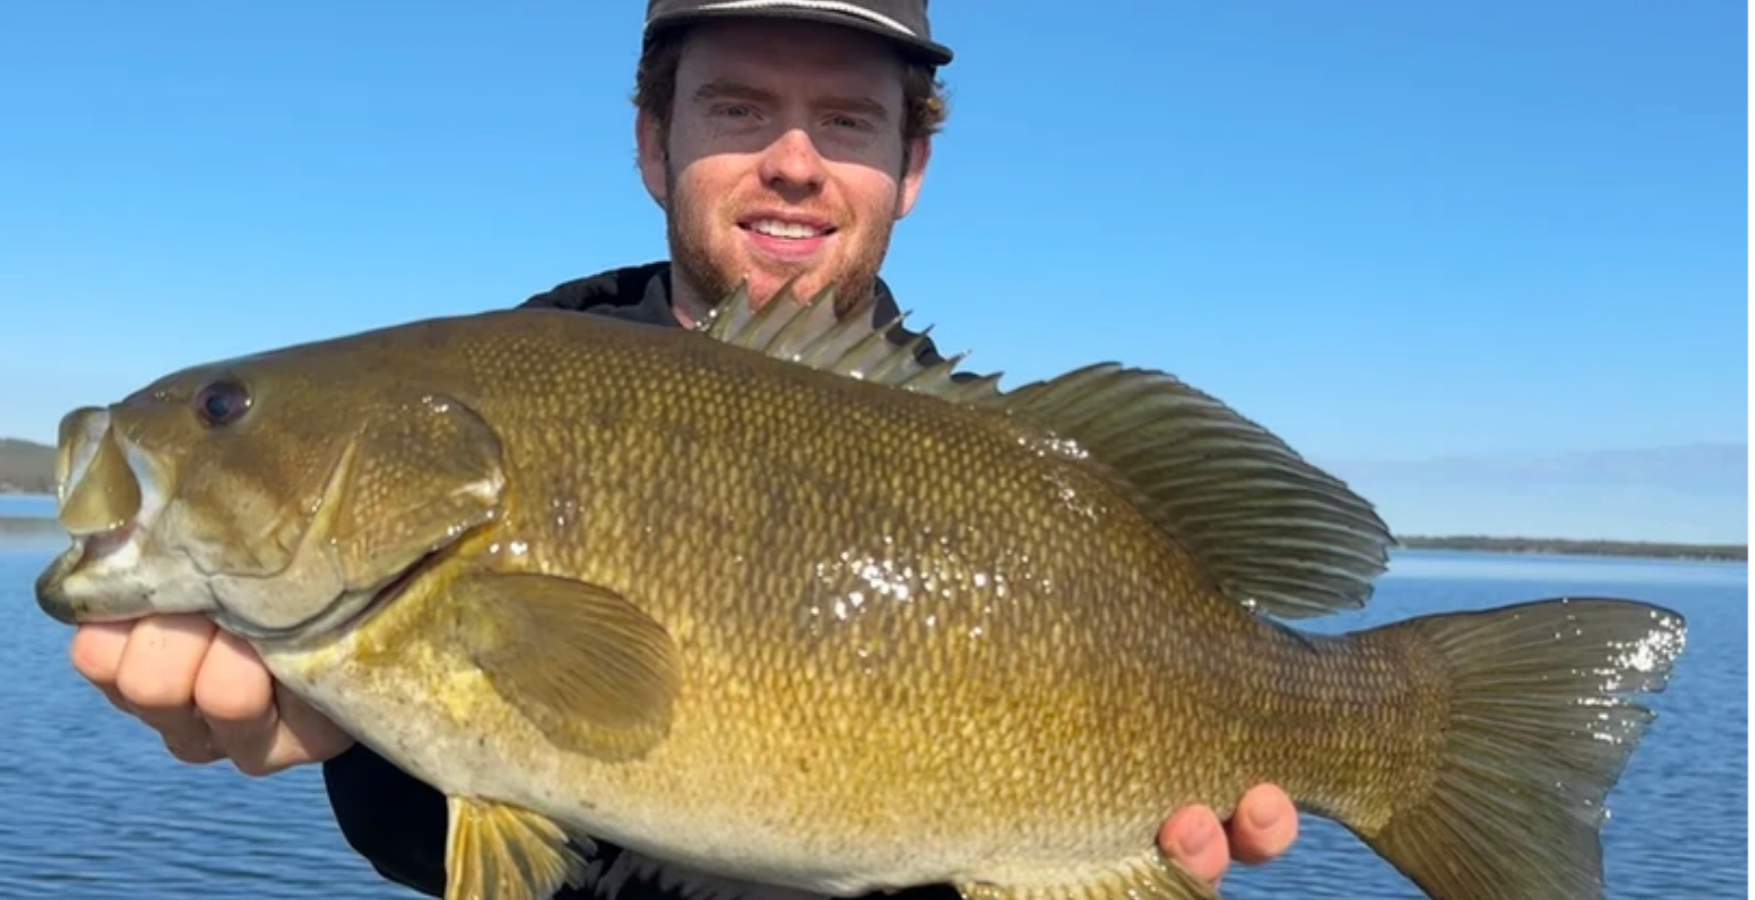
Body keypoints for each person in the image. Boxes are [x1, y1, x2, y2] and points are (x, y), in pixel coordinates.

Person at [65, 2, 1301, 897]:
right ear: (654, 141)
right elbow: (463, 822)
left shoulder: (999, 445)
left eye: (848, 119)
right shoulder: (526, 366)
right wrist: (336, 731)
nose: (796, 161)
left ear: (909, 165)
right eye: (740, 107)